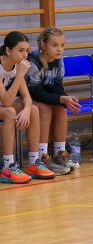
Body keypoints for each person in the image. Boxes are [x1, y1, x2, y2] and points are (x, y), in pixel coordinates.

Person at [26, 27, 78, 177]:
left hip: (42, 96)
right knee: (44, 109)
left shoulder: (58, 60)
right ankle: (43, 157)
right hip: (27, 97)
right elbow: (35, 92)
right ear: (43, 45)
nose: (59, 49)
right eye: (54, 45)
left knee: (61, 108)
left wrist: (66, 99)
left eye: (62, 45)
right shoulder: (33, 61)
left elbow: (57, 87)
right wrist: (61, 98)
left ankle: (59, 155)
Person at [0, 32, 38, 183]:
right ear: (8, 51)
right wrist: (20, 75)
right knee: (10, 112)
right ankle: (8, 167)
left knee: (33, 109)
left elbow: (27, 97)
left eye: (27, 50)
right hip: (4, 105)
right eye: (21, 50)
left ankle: (34, 163)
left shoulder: (17, 65)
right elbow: (6, 101)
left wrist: (27, 110)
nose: (25, 55)